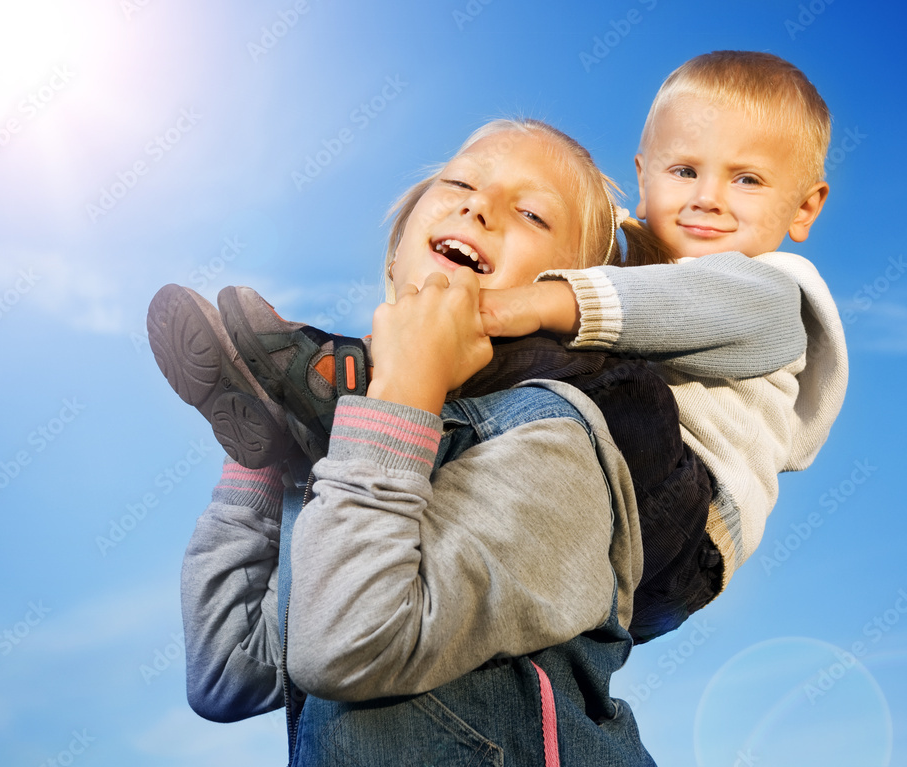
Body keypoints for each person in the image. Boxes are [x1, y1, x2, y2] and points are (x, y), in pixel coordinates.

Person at [179, 51, 848, 641]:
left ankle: (341, 382)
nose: (708, 198)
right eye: (684, 170)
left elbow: (677, 304)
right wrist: (264, 470)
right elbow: (232, 671)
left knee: (595, 375)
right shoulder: (634, 284)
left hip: (685, 525)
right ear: (644, 177)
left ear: (805, 207)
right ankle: (312, 395)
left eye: (748, 180)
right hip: (610, 545)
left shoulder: (777, 291)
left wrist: (511, 303)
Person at [168, 121, 678, 765]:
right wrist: (270, 455)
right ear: (393, 255)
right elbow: (229, 671)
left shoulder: (557, 436)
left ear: (561, 296)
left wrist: (404, 386)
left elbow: (347, 645)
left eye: (530, 213)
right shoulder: (367, 449)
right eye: (459, 182)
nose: (478, 205)